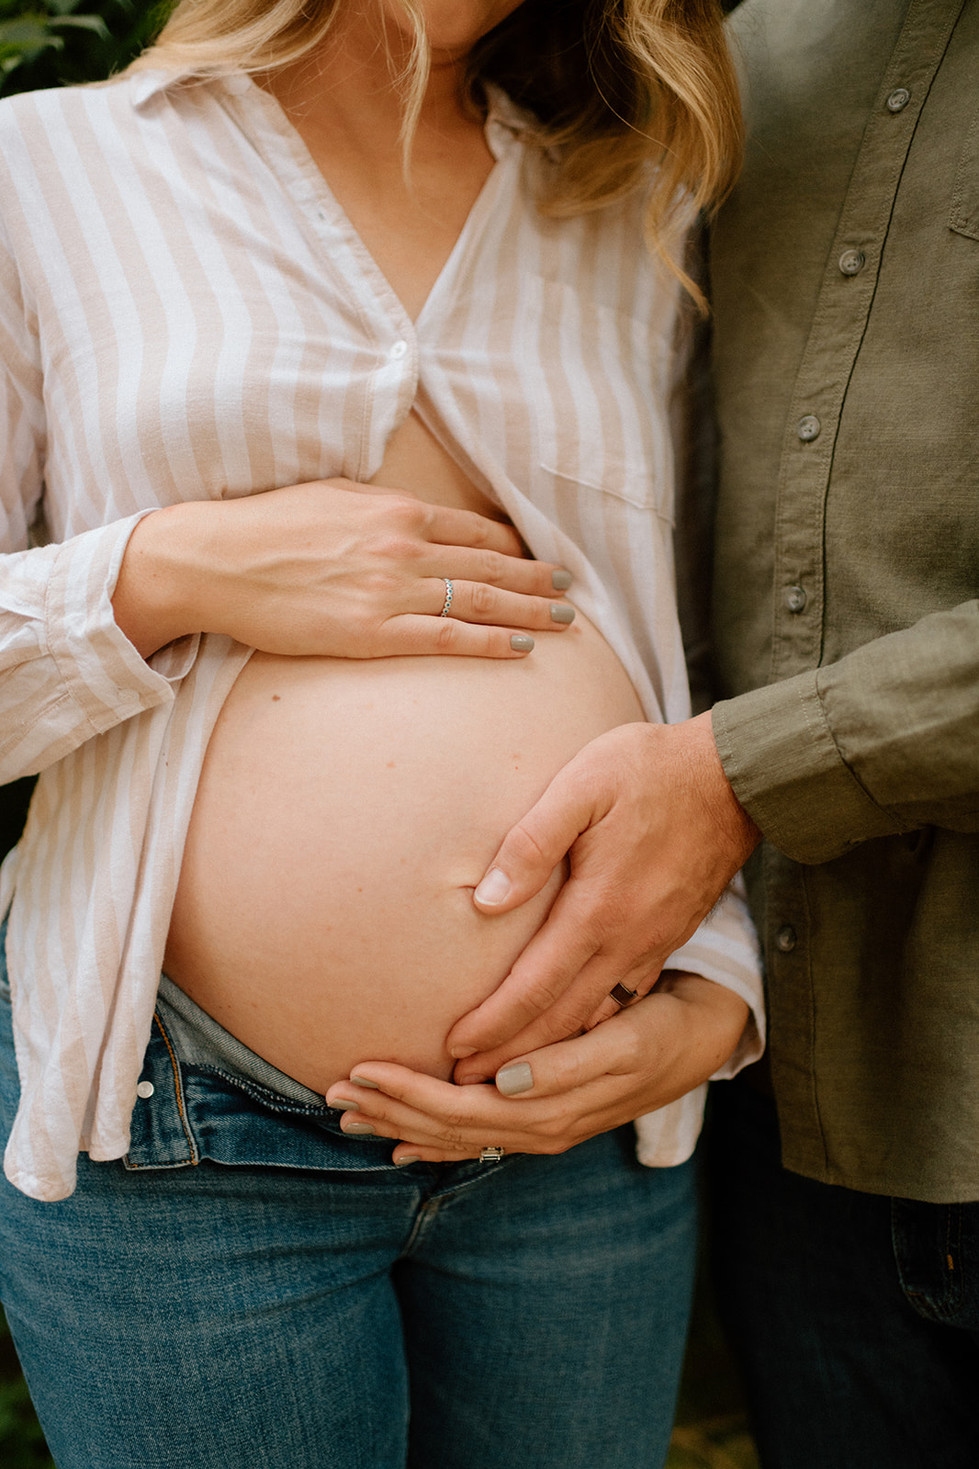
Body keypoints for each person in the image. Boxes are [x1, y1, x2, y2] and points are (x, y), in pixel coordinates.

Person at [0, 2, 763, 1465]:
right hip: (184, 1142)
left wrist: (715, 991)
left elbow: (725, 664)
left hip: (583, 1135)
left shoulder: (631, 204)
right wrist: (170, 569)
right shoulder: (47, 169)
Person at [342, 0, 979, 1464]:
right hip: (800, 1129)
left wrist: (741, 776)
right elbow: (663, 559)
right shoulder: (733, 69)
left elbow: (722, 746)